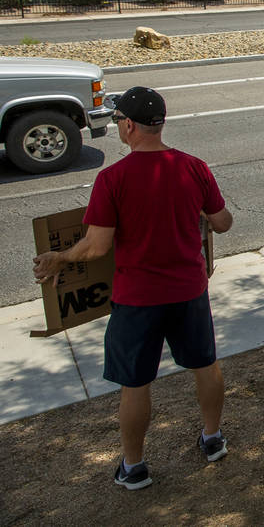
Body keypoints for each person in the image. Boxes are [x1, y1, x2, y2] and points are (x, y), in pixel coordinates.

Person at [32, 87, 233, 490]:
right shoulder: (194, 167)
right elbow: (223, 222)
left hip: (138, 298)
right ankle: (213, 439)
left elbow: (97, 245)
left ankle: (134, 466)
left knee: (136, 383)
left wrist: (62, 257)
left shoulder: (112, 179)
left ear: (127, 126)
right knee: (205, 365)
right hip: (189, 290)